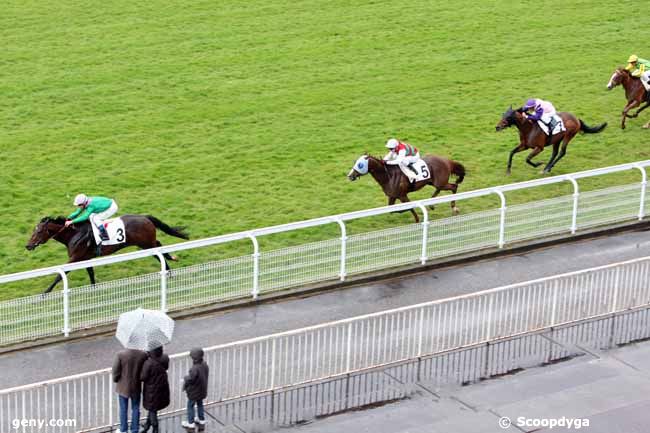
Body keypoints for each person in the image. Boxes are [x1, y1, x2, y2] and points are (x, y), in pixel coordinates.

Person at [112, 348, 148, 433]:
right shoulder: (143, 354)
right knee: (136, 408)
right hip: (136, 386)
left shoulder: (120, 354)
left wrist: (116, 379)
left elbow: (116, 370)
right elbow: (145, 370)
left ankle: (123, 429)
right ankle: (134, 429)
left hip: (123, 387)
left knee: (123, 408)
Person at [140, 346, 170, 433]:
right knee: (153, 408)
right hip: (162, 387)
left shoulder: (148, 363)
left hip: (152, 391)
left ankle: (155, 429)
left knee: (152, 409)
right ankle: (147, 425)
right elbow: (166, 367)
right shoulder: (165, 357)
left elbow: (142, 377)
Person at [182, 348, 210, 432]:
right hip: (202, 390)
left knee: (190, 406)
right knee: (200, 404)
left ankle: (190, 423)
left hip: (194, 392)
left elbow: (191, 379)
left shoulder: (194, 368)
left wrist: (185, 378)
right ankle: (201, 419)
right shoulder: (205, 364)